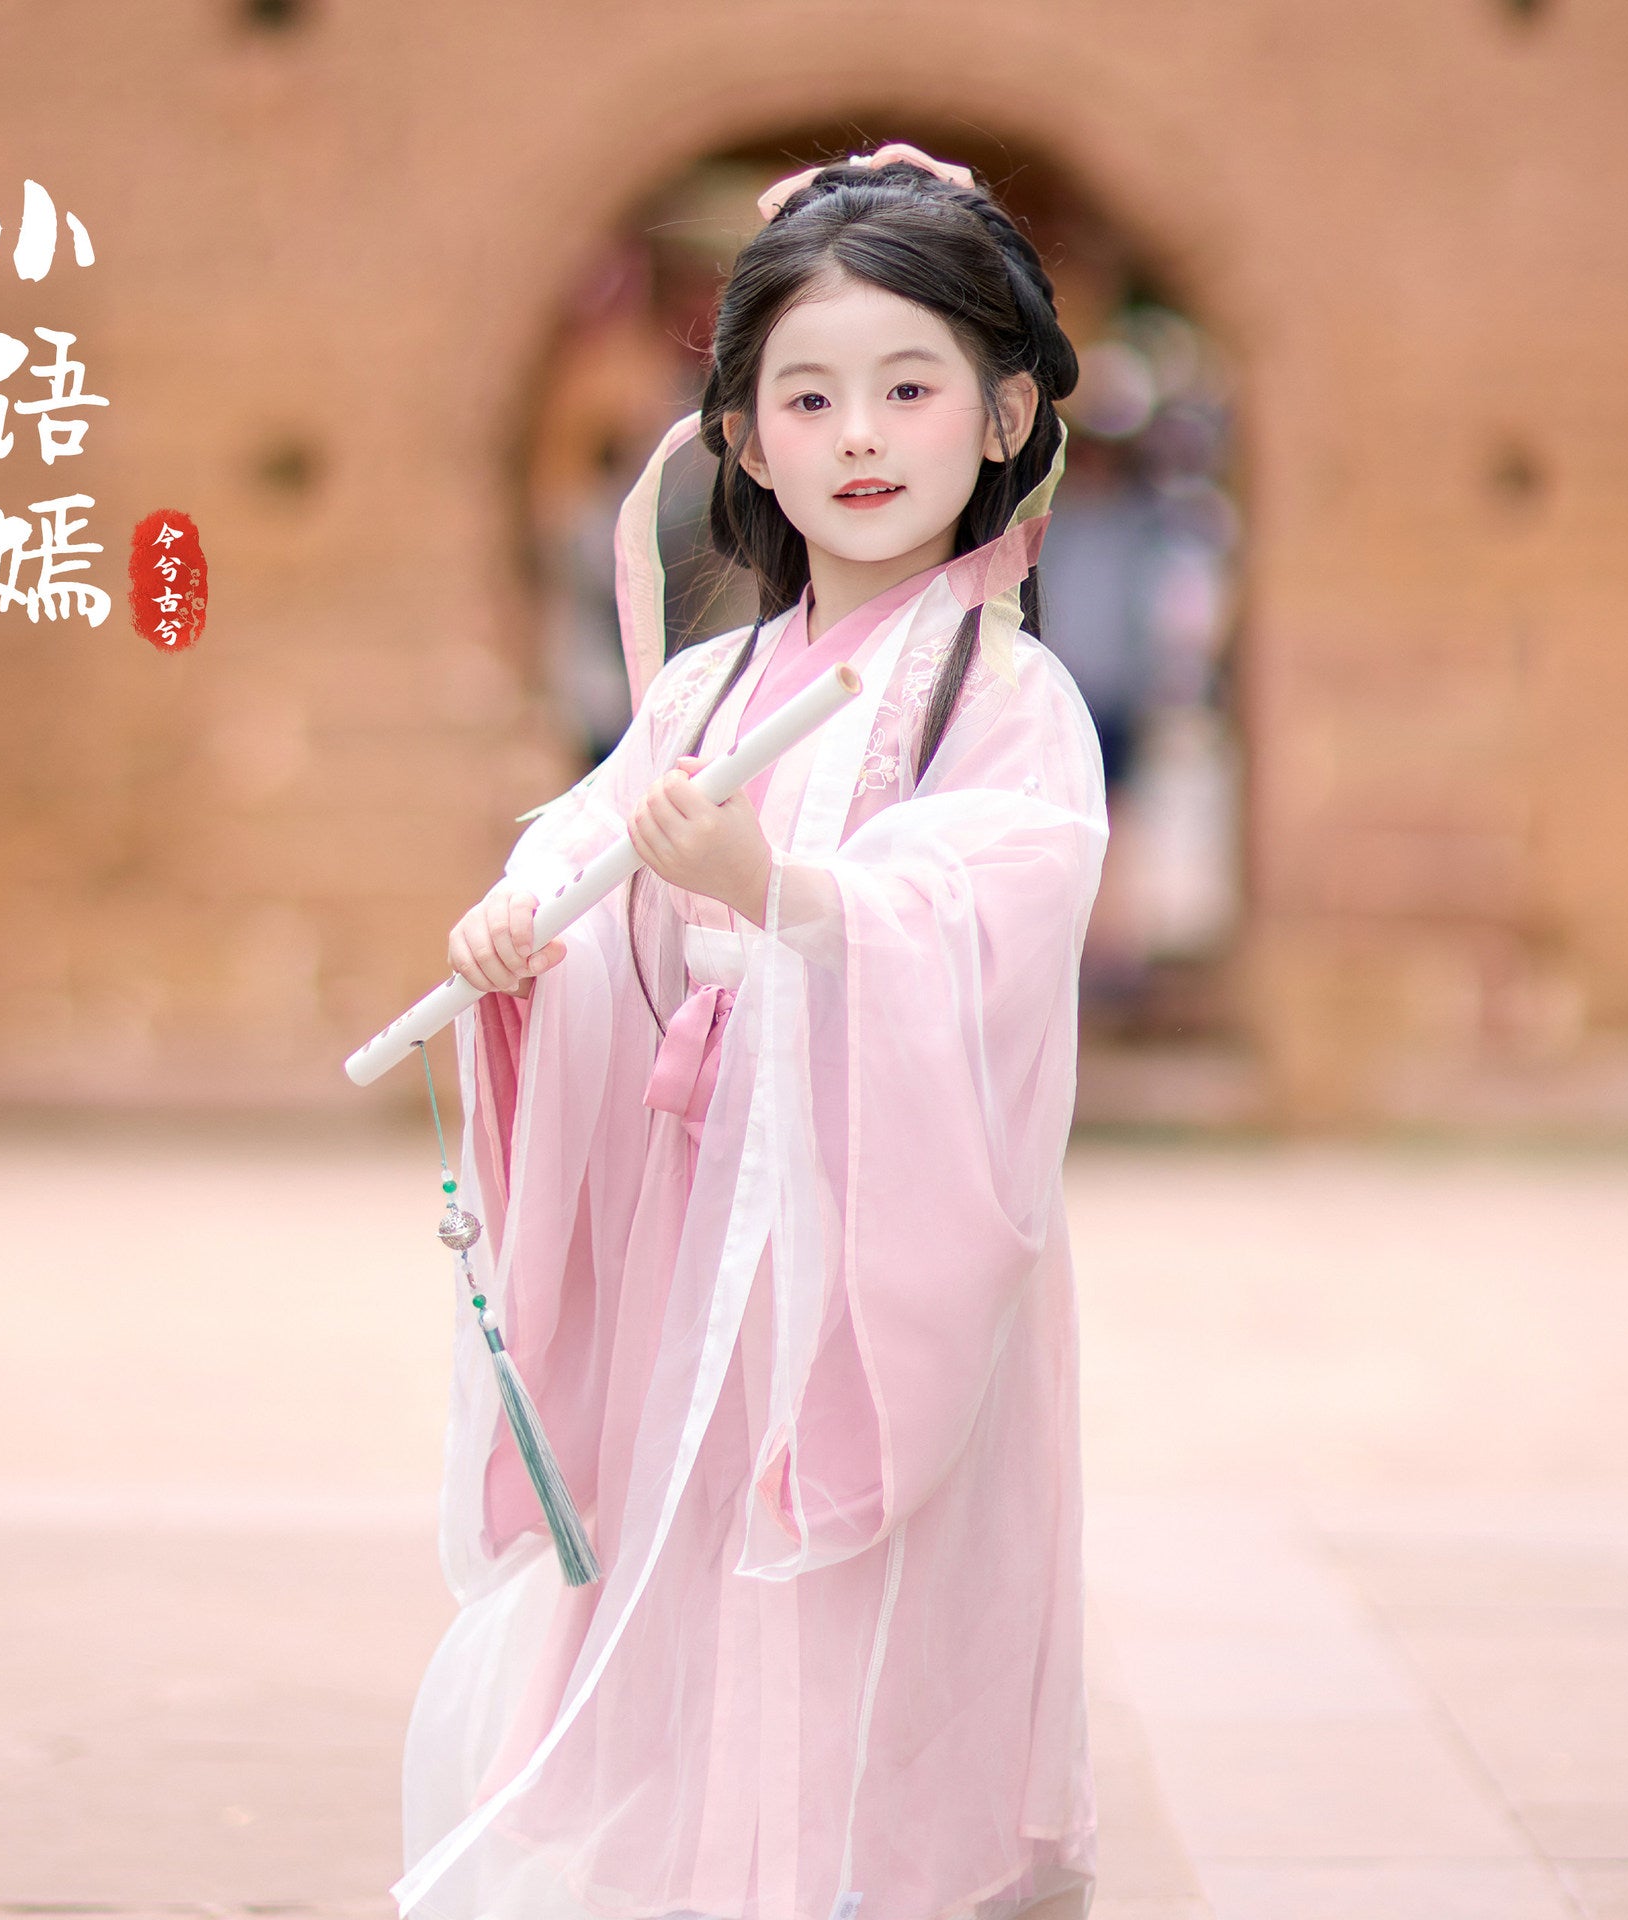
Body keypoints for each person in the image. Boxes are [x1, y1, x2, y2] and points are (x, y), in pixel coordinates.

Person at [397, 144, 1108, 1920]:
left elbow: (988, 910)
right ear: (743, 436)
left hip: (865, 1239)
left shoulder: (1009, 697)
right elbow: (598, 854)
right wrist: (524, 940)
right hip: (693, 1219)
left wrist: (788, 893)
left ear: (1005, 411)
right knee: (687, 1543)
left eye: (910, 384)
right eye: (808, 392)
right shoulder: (711, 687)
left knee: (851, 1579)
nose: (860, 433)